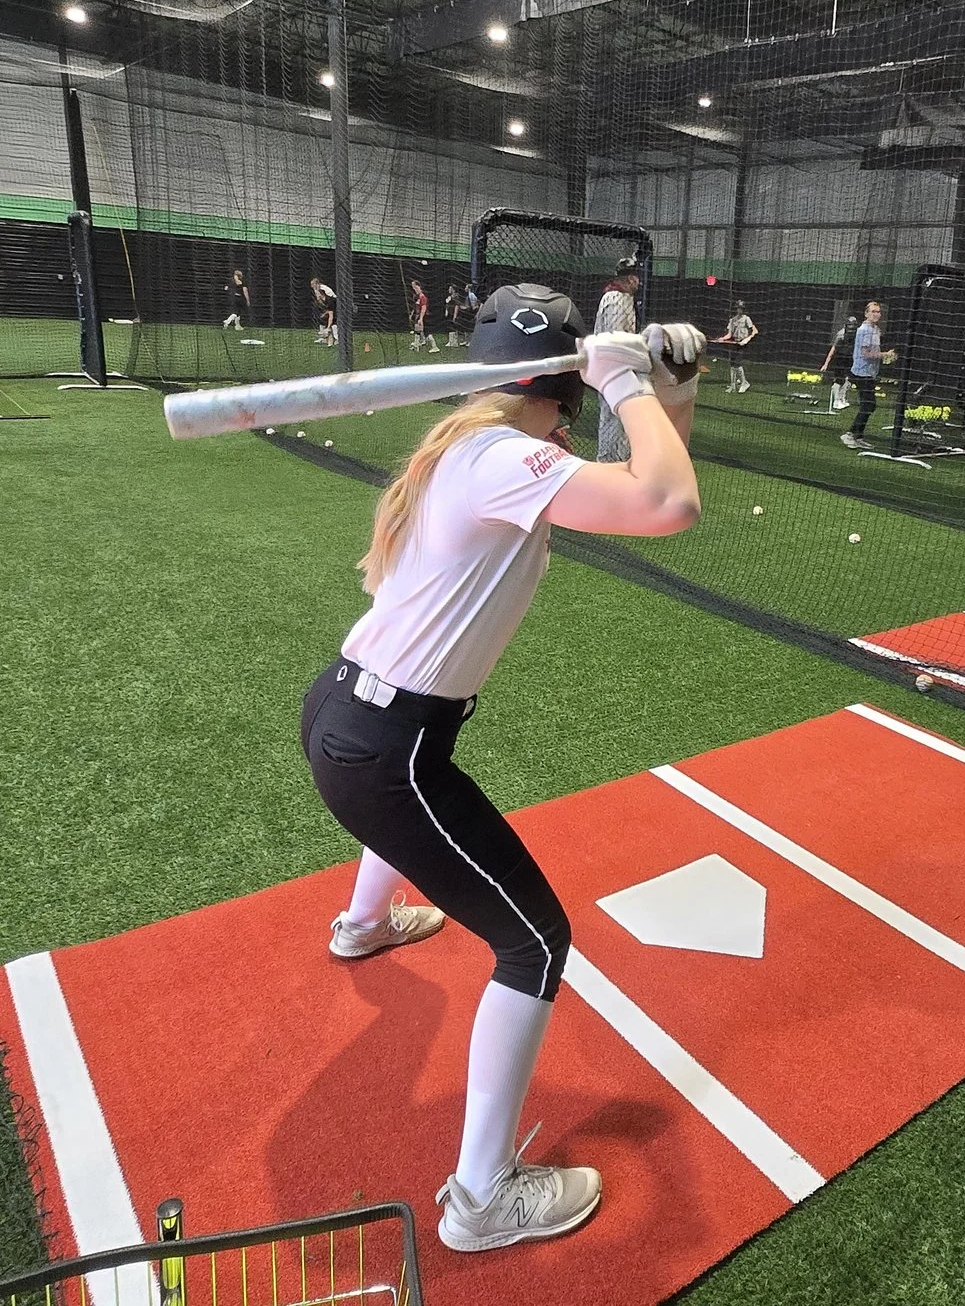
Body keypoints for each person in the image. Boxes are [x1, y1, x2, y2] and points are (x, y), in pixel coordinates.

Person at [301, 284, 704, 1254]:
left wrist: (666, 390)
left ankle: (362, 924)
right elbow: (669, 502)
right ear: (559, 388)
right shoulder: (500, 461)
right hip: (383, 749)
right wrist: (626, 382)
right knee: (534, 943)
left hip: (353, 718)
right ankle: (481, 1197)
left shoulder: (477, 450)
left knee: (423, 799)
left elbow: (638, 481)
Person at [592, 259, 643, 462]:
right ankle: (610, 460)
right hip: (613, 366)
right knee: (615, 416)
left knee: (615, 415)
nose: (638, 282)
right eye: (636, 277)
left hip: (610, 365)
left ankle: (613, 459)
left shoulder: (618, 296)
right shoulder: (617, 298)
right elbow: (615, 336)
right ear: (630, 278)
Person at [840, 300, 893, 449]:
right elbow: (866, 353)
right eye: (873, 311)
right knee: (868, 405)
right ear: (866, 313)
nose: (876, 314)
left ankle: (858, 436)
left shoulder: (876, 330)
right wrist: (885, 355)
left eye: (878, 312)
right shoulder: (864, 330)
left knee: (869, 405)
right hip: (861, 373)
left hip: (869, 373)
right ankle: (850, 434)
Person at [719, 301, 757, 393]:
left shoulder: (746, 319)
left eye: (741, 308)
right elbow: (729, 334)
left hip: (742, 343)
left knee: (737, 364)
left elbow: (754, 331)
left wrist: (746, 340)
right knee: (732, 364)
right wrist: (722, 339)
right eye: (738, 308)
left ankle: (744, 383)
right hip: (734, 343)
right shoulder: (733, 320)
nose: (740, 310)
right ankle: (733, 386)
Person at [821, 314, 856, 413]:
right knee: (839, 379)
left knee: (849, 379)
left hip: (850, 357)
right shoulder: (841, 335)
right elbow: (833, 349)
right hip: (840, 357)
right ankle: (836, 401)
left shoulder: (856, 335)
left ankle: (842, 398)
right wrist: (826, 364)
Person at [409, 278, 438, 354]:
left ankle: (435, 347)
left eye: (415, 287)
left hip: (424, 316)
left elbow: (424, 308)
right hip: (419, 316)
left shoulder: (422, 297)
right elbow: (416, 307)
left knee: (427, 332)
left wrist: (421, 318)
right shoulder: (417, 297)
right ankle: (416, 345)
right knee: (417, 331)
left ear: (418, 286)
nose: (414, 289)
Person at [311, 276, 338, 346]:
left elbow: (331, 315)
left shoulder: (324, 290)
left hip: (334, 302)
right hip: (326, 303)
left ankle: (336, 338)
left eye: (313, 284)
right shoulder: (316, 290)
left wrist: (328, 327)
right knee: (322, 319)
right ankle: (323, 337)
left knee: (333, 321)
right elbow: (319, 298)